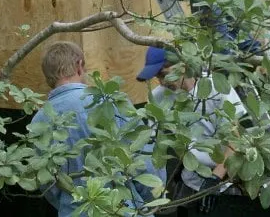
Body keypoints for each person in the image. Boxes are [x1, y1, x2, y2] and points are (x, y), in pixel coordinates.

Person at [30, 41, 161, 216]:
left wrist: (68, 204)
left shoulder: (38, 121)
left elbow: (47, 183)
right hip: (123, 208)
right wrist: (151, 201)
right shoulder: (110, 101)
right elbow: (143, 160)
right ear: (79, 66)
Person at [137, 46, 247, 216]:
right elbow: (152, 145)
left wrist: (215, 179)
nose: (162, 82)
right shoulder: (159, 97)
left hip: (223, 180)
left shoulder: (216, 88)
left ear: (182, 65)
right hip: (190, 179)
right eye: (157, 77)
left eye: (164, 74)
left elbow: (235, 141)